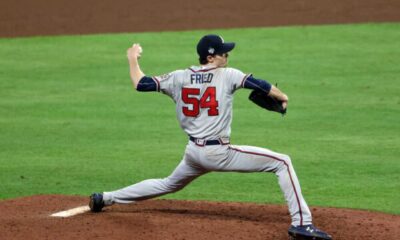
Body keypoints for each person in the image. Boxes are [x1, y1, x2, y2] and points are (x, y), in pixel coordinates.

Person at [89, 34, 332, 240]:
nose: (227, 56)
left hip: (194, 154)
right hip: (219, 153)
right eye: (223, 53)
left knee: (167, 184)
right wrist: (283, 96)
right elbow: (260, 85)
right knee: (282, 162)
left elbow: (140, 84)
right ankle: (302, 222)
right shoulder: (228, 75)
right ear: (210, 57)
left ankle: (106, 198)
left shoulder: (178, 77)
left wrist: (132, 58)